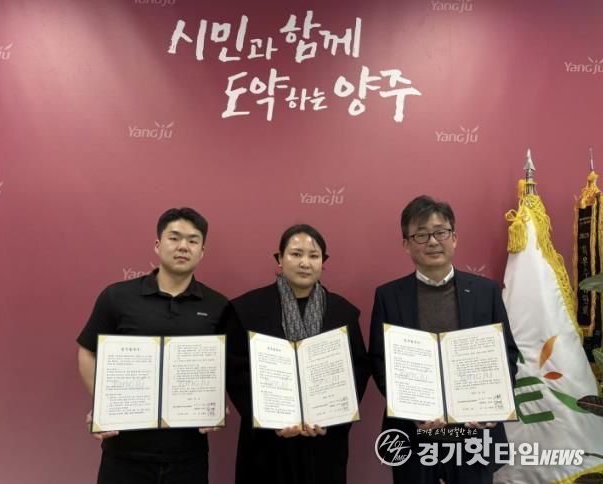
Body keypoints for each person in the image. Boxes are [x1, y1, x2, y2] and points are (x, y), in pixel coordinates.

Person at [369, 195, 518, 484]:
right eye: (421, 235)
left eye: (440, 232)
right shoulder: (388, 296)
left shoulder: (486, 291)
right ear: (406, 244)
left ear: (454, 238)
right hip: (414, 435)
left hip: (473, 435)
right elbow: (379, 360)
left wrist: (493, 407)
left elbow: (507, 354)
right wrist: (410, 409)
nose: (433, 242)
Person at [77, 207, 229, 484]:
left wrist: (216, 403)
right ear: (158, 245)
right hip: (125, 453)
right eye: (174, 237)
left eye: (193, 240)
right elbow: (87, 350)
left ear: (202, 251)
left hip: (188, 456)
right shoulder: (117, 296)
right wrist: (102, 402)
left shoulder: (218, 305)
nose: (183, 246)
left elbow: (224, 366)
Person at [226, 224, 371, 484]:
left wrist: (333, 416)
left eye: (314, 256)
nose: (305, 263)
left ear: (323, 262)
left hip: (324, 439)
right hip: (267, 442)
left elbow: (358, 369)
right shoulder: (247, 309)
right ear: (280, 259)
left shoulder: (343, 313)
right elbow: (236, 372)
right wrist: (270, 418)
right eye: (295, 254)